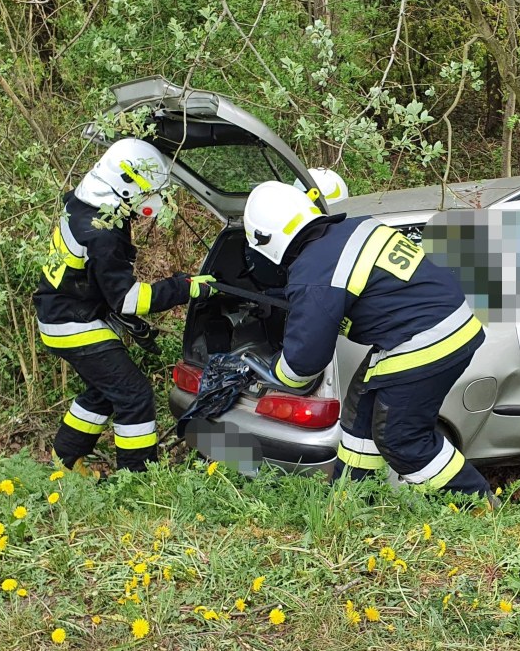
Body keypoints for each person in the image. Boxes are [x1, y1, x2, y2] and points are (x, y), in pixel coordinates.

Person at [242, 180, 493, 498]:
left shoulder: (314, 273)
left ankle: (478, 504)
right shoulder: (353, 228)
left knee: (402, 440)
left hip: (426, 339)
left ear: (268, 240)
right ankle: (351, 502)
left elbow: (301, 365)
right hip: (435, 328)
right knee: (360, 415)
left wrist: (269, 369)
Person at [33, 138, 214, 474]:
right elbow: (128, 299)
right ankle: (137, 477)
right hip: (74, 324)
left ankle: (66, 460)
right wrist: (183, 288)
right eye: (149, 193)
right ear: (126, 186)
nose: (152, 202)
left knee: (104, 391)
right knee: (134, 395)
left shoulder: (82, 206)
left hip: (61, 317)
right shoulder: (102, 231)